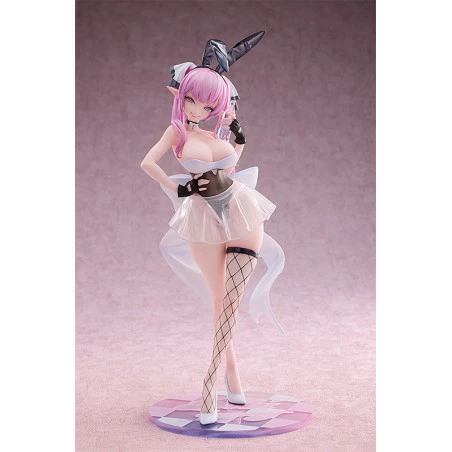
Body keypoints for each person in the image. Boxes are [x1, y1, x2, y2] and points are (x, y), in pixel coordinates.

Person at [140, 32, 285, 426]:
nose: (198, 109)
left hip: (241, 211)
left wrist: (238, 134)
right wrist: (178, 188)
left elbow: (232, 162)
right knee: (220, 301)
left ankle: (211, 381)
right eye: (192, 99)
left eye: (208, 104)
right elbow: (148, 163)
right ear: (181, 95)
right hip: (203, 218)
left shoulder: (218, 133)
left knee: (231, 302)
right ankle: (233, 376)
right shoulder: (178, 133)